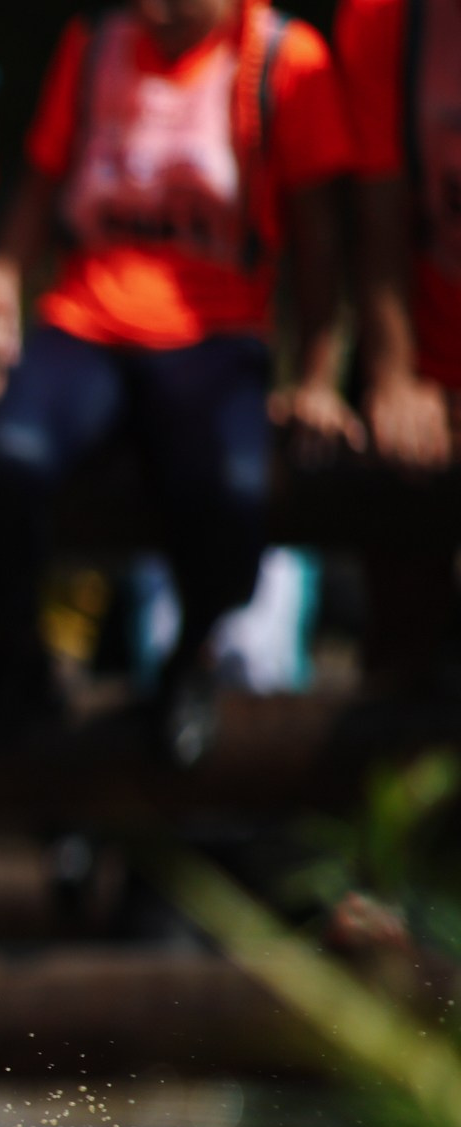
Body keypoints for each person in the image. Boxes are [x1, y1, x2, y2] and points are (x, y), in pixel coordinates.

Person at [0, 0, 357, 765]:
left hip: (216, 333)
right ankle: (21, 652)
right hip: (87, 320)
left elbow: (319, 238)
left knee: (234, 490)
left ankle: (190, 660)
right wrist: (0, 288)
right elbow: (40, 185)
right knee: (2, 457)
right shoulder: (95, 46)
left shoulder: (282, 60)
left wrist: (317, 374)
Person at [333, 0, 461, 698]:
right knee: (402, 640)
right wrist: (394, 377)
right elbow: (377, 226)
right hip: (426, 350)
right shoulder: (385, 19)